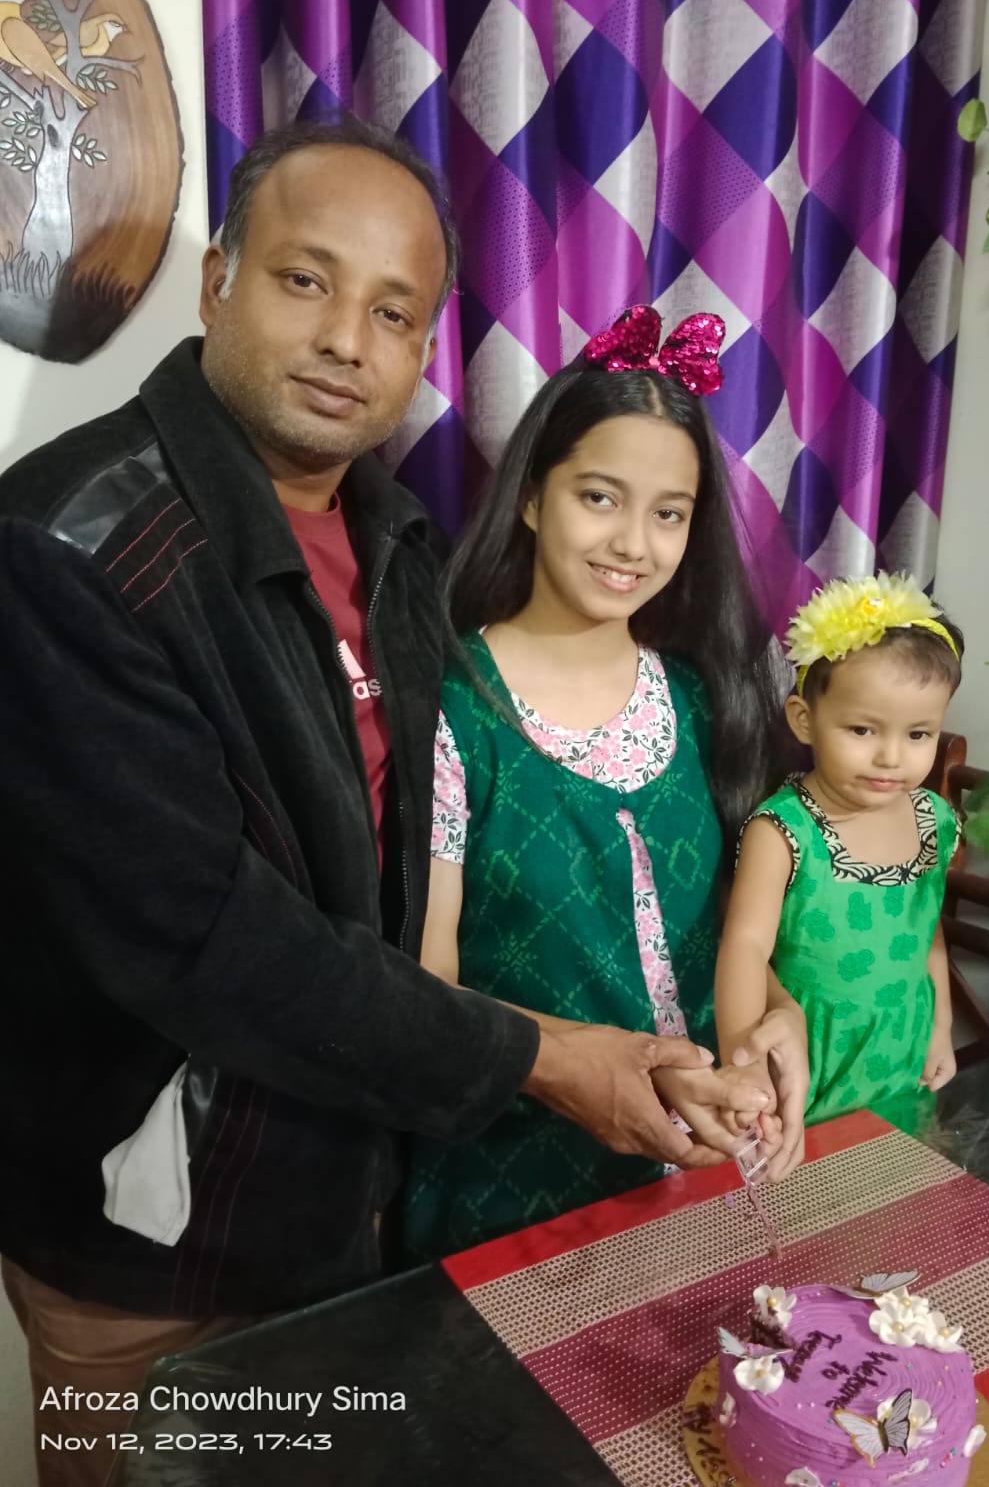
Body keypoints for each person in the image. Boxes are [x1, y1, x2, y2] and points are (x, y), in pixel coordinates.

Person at [0, 120, 779, 1487]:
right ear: (219, 279)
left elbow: (403, 899)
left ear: (425, 347)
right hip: (160, 1241)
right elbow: (206, 938)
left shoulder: (395, 540)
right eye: (306, 280)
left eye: (393, 311)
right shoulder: (67, 544)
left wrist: (701, 1029)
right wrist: (548, 1062)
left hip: (351, 1201)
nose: (345, 339)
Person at [405, 307, 809, 1260]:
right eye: (599, 497)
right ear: (532, 498)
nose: (634, 542)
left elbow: (727, 931)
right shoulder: (453, 709)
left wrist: (779, 1017)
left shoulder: (703, 699)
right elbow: (428, 996)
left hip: (710, 1174)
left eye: (669, 514)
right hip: (517, 1194)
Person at [715, 573, 964, 1128]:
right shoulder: (784, 829)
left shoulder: (935, 820)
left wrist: (941, 1028)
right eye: (862, 730)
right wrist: (743, 1066)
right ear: (805, 720)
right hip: (807, 1054)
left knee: (881, 1164)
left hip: (900, 1046)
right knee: (798, 1172)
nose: (890, 757)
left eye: (918, 735)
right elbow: (744, 948)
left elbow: (928, 933)